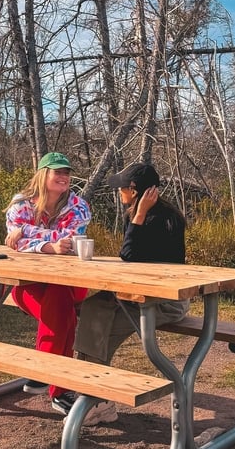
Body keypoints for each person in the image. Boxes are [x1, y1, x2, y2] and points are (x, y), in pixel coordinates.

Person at [72, 162, 189, 426]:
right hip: (136, 297)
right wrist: (137, 216)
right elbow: (131, 261)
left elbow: (128, 255)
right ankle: (94, 396)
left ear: (134, 191)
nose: (119, 193)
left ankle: (95, 398)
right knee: (94, 308)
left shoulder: (167, 219)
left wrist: (139, 216)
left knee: (99, 325)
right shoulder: (133, 215)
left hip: (165, 302)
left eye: (122, 188)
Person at [5, 151, 91, 415]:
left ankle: (43, 370)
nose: (64, 176)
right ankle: (61, 392)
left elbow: (70, 239)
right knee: (63, 317)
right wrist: (49, 246)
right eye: (58, 171)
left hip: (72, 283)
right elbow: (14, 242)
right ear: (44, 174)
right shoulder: (20, 205)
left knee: (59, 299)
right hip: (27, 284)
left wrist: (30, 232)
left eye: (66, 172)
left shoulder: (79, 205)